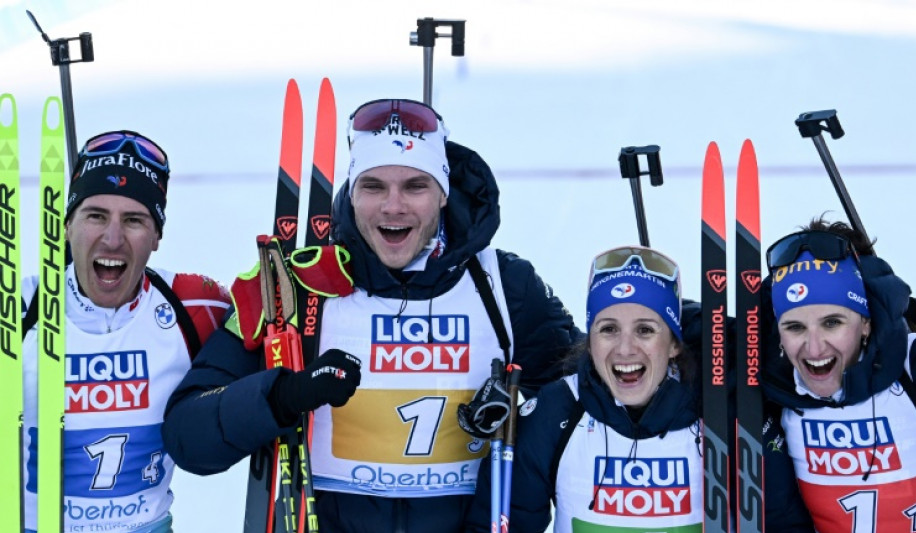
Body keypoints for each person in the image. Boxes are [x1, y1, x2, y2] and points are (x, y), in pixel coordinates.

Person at [162, 98, 581, 532]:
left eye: (415, 186)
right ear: (352, 190)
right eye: (374, 186)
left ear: (443, 193)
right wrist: (281, 395)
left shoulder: (504, 285)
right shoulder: (295, 284)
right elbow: (188, 435)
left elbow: (591, 392)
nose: (393, 206)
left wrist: (523, 403)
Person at [21, 131, 231, 533]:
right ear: (67, 226)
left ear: (156, 236)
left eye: (134, 220)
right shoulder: (18, 308)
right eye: (95, 215)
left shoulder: (197, 306)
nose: (112, 238)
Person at [466, 245, 706, 532]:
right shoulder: (559, 409)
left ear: (674, 344)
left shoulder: (714, 406)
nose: (625, 349)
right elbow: (506, 520)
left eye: (645, 330)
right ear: (590, 341)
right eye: (608, 329)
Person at [761, 218, 916, 533]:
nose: (814, 347)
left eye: (832, 322)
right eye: (795, 327)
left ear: (866, 323)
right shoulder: (774, 391)